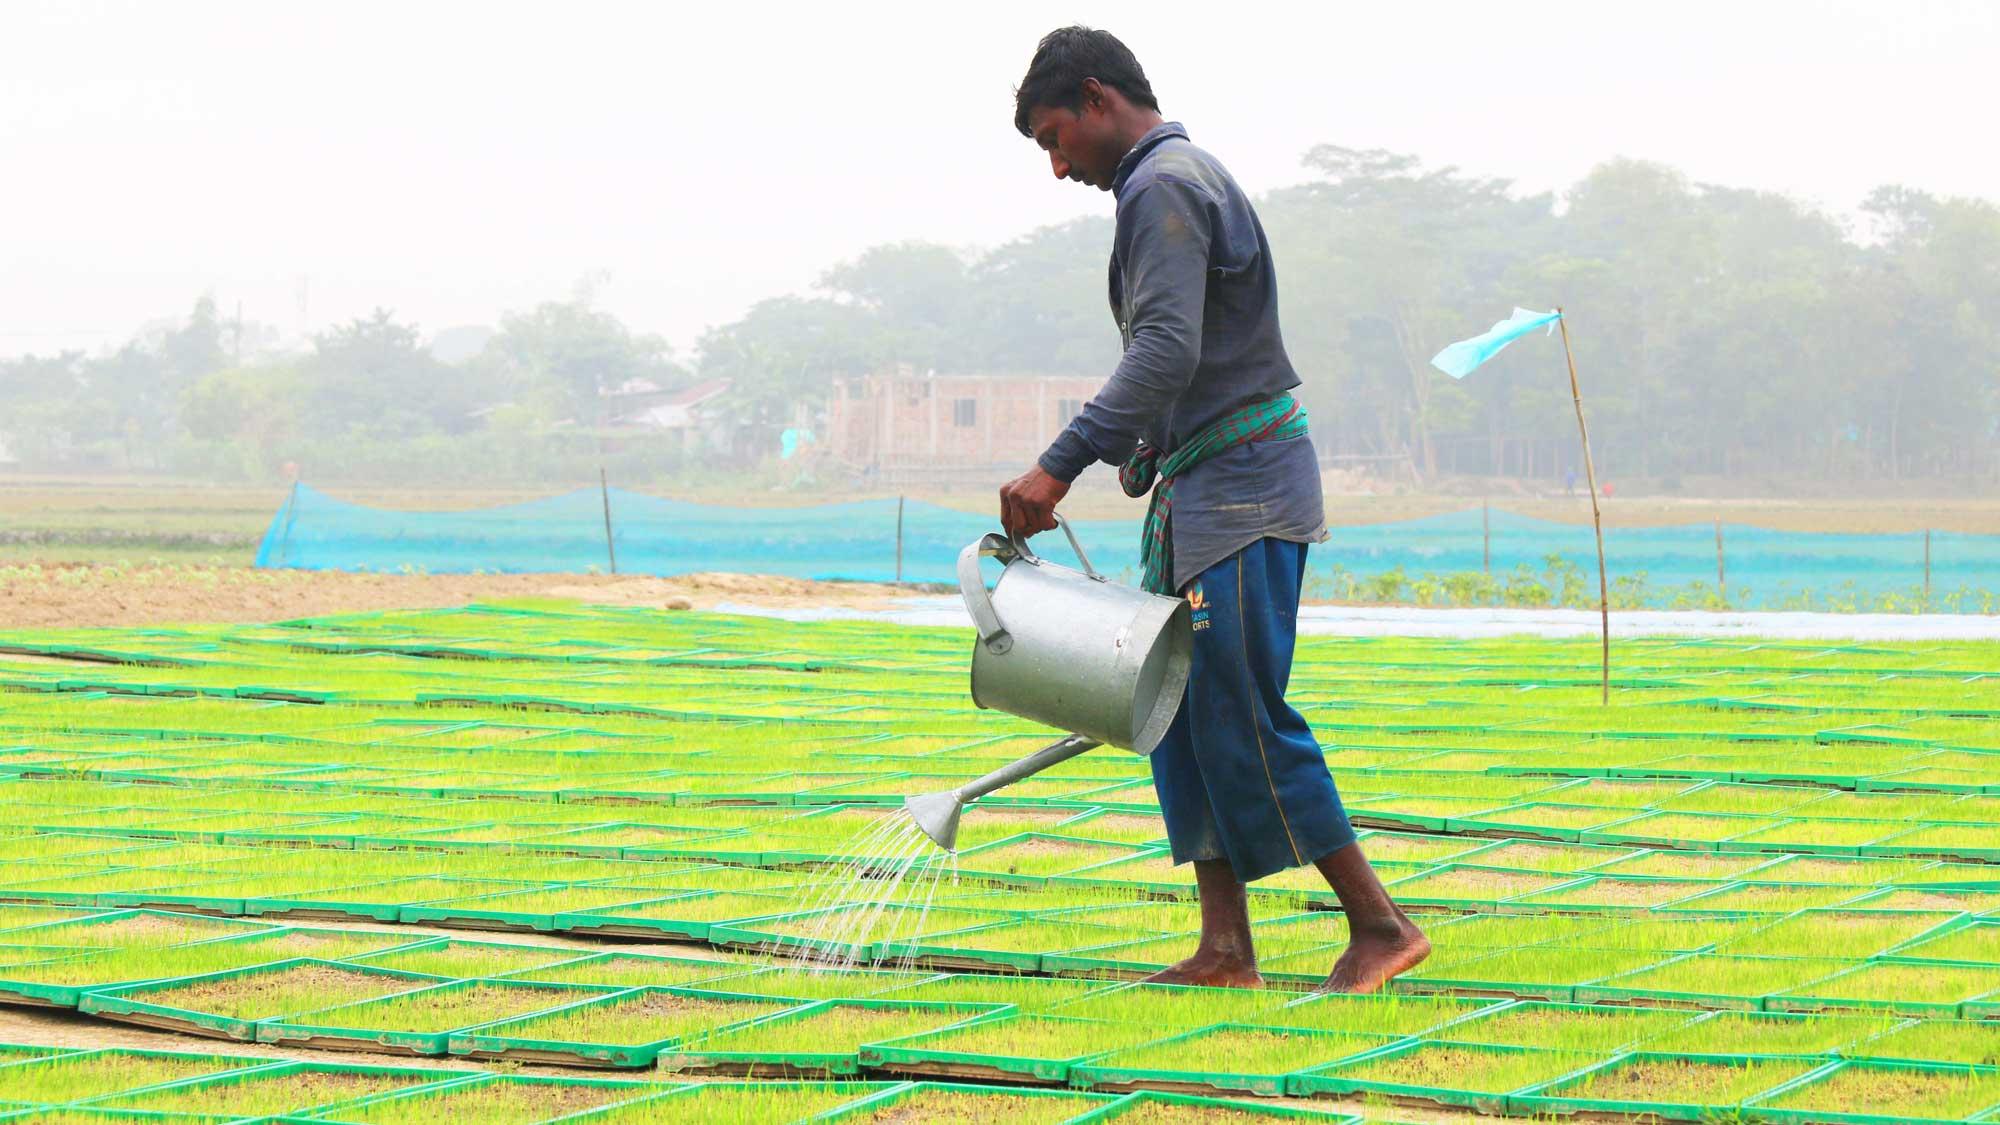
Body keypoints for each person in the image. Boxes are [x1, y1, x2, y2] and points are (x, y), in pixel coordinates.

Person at [996, 26, 1428, 993]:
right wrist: (1149, 446)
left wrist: (1059, 464)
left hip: (1245, 492)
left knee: (1239, 709)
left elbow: (1165, 351)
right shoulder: (1165, 185)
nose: (1059, 165)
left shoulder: (1165, 186)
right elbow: (1192, 356)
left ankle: (1381, 925)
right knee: (1179, 714)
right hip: (1204, 489)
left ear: (1100, 99)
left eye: (1057, 138)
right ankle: (1226, 947)